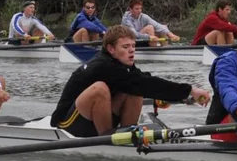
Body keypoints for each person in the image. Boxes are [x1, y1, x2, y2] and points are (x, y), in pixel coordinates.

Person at [52, 25, 211, 137]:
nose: (131, 50)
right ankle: (108, 137)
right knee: (100, 88)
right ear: (111, 49)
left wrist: (181, 96)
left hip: (95, 118)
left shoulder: (122, 64)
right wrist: (191, 89)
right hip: (69, 124)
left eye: (133, 46)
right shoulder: (102, 66)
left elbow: (145, 82)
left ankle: (127, 132)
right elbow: (145, 83)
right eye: (125, 47)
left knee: (136, 89)